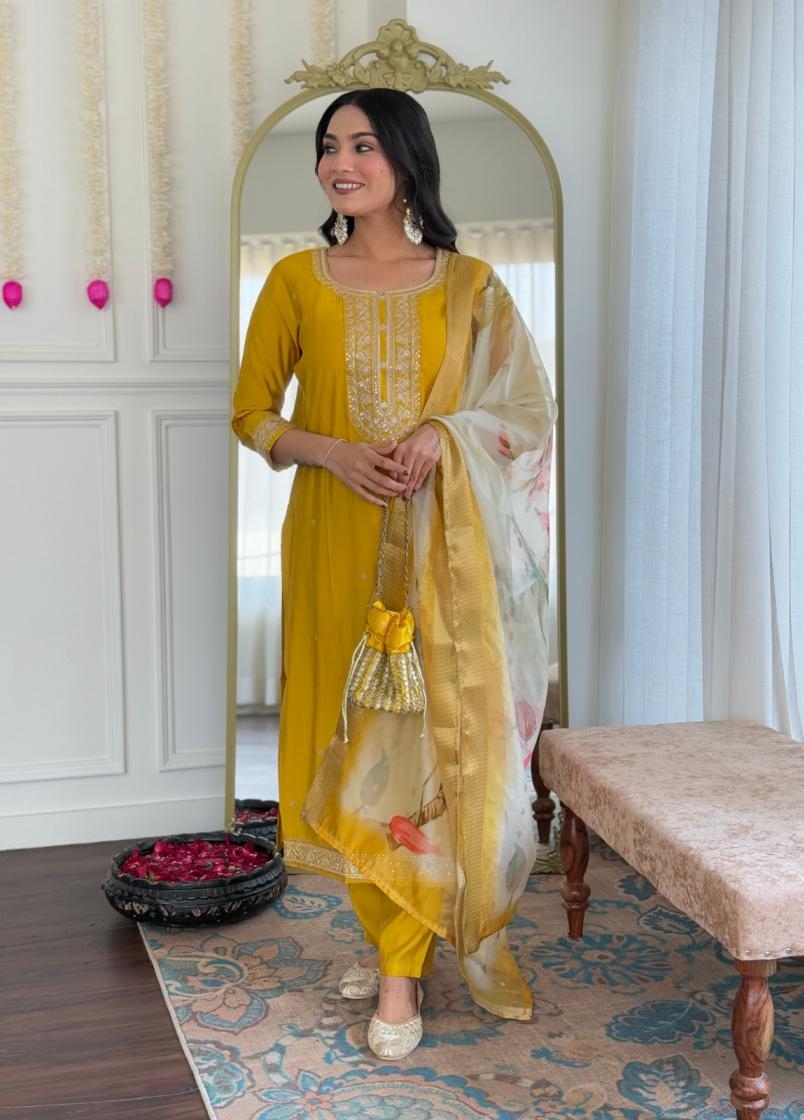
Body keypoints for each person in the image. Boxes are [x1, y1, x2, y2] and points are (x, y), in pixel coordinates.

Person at [232, 87, 556, 1060]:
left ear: (407, 160)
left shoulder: (473, 287)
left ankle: (400, 971)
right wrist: (331, 450)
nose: (341, 162)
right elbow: (251, 414)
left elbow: (527, 415)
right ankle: (391, 939)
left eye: (364, 145)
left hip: (442, 555)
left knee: (423, 740)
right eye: (330, 146)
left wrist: (440, 433)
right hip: (333, 539)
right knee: (350, 734)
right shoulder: (295, 280)